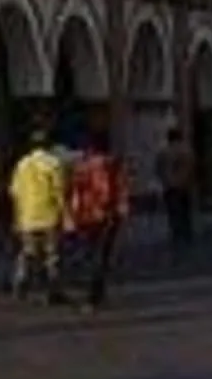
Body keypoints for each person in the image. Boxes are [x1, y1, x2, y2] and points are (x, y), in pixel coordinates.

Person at [66, 131, 129, 310]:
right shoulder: (112, 165)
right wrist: (120, 210)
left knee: (90, 253)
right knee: (101, 255)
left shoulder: (82, 167)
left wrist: (72, 215)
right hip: (106, 215)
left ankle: (92, 294)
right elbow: (116, 190)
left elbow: (75, 192)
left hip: (86, 215)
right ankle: (96, 293)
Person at [7, 128, 66, 303]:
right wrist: (65, 213)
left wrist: (17, 217)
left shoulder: (22, 164)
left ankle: (20, 283)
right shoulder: (53, 164)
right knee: (52, 255)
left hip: (27, 216)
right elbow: (59, 191)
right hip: (49, 215)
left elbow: (15, 192)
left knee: (27, 253)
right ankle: (53, 290)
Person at [156, 124, 198, 251]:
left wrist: (165, 180)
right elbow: (192, 168)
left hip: (170, 186)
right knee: (186, 210)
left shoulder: (163, 152)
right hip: (185, 185)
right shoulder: (187, 151)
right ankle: (187, 233)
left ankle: (176, 233)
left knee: (173, 211)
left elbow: (159, 169)